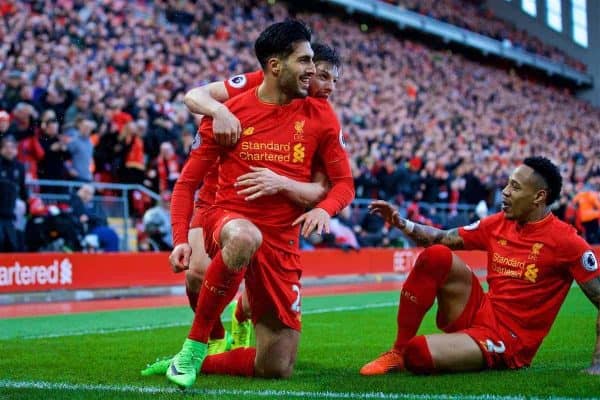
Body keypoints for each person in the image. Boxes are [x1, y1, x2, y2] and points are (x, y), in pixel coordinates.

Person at [164, 20, 354, 388]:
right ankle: (196, 345)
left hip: (283, 238)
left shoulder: (322, 116)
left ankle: (208, 357)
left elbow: (341, 185)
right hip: (229, 216)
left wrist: (321, 208)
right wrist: (179, 238)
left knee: (277, 366)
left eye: (318, 66)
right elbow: (187, 180)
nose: (315, 74)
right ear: (275, 65)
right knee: (220, 255)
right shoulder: (234, 107)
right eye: (306, 62)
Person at [359, 157, 600, 376]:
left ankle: (439, 349)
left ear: (539, 197)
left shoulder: (567, 242)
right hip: (483, 310)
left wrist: (598, 363)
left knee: (419, 353)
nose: (504, 192)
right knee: (436, 256)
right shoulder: (498, 224)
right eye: (507, 184)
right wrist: (403, 224)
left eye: (515, 187)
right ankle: (397, 352)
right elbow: (441, 238)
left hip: (509, 339)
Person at [0, 135, 27, 252]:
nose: (9, 150)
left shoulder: (20, 167)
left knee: (14, 243)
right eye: (6, 147)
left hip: (13, 209)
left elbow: (22, 188)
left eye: (12, 147)